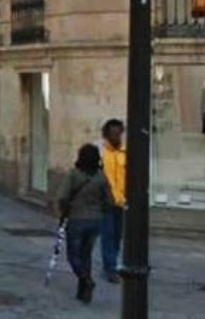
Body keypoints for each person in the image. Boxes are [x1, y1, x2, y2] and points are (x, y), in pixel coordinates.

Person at [56, 143, 111, 305]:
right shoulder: (101, 176)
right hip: (95, 221)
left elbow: (62, 196)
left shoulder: (74, 174)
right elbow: (109, 200)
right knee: (86, 254)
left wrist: (63, 212)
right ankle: (83, 291)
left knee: (73, 256)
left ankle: (85, 279)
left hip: (77, 219)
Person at [99, 118, 126, 284]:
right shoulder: (102, 153)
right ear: (107, 135)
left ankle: (113, 262)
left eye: (118, 133)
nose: (116, 137)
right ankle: (110, 267)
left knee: (117, 236)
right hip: (105, 202)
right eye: (112, 134)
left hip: (121, 202)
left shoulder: (125, 153)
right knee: (107, 235)